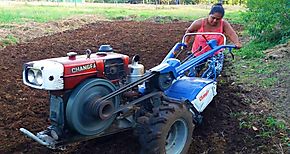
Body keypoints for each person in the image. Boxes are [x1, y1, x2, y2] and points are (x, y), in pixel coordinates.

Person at [183, 3, 242, 78]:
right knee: (192, 72)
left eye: (218, 19)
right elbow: (189, 31)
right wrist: (186, 42)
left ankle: (207, 85)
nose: (215, 21)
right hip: (199, 52)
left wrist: (236, 43)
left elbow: (231, 34)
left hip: (215, 52)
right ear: (209, 14)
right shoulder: (199, 23)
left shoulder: (223, 24)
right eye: (213, 17)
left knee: (214, 72)